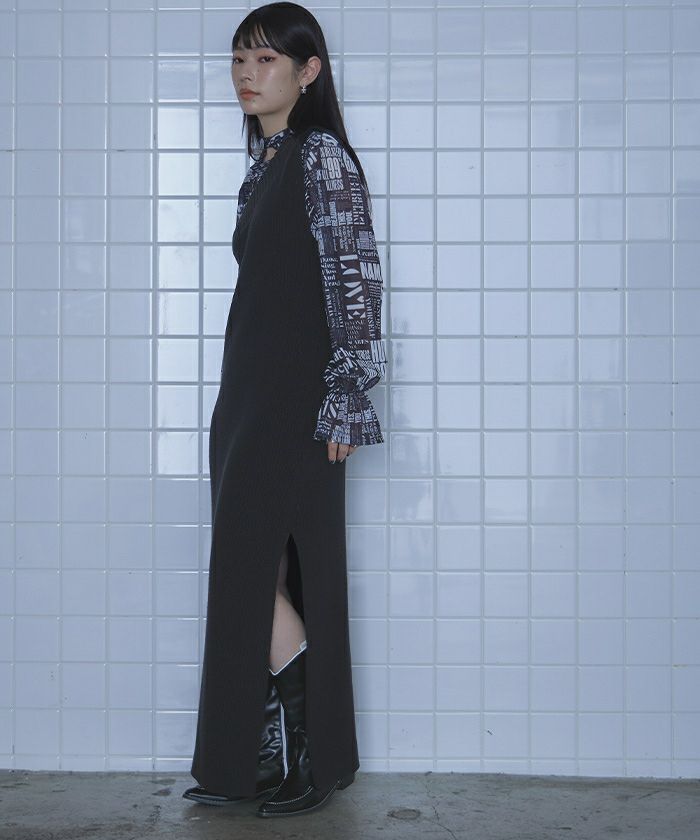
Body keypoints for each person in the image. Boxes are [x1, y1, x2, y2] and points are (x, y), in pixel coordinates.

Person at [182, 1, 387, 819]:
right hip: (248, 397)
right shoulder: (267, 161)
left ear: (309, 72)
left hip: (296, 401)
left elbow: (356, 278)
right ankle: (254, 760)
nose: (246, 74)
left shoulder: (321, 156)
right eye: (239, 59)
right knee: (250, 576)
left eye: (265, 60)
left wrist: (347, 396)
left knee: (265, 570)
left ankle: (312, 754)